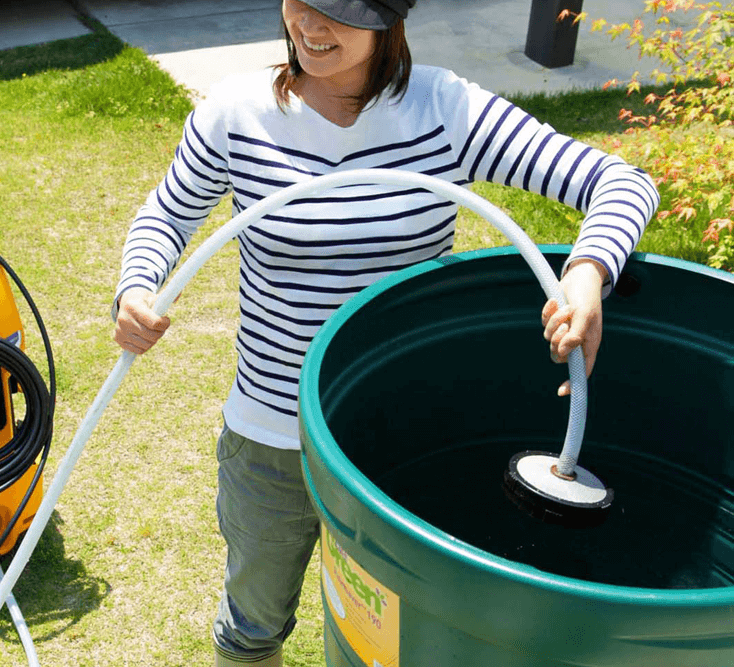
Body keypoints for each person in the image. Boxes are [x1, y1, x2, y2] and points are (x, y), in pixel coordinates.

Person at [111, 1, 659, 665]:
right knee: (252, 627)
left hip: (395, 441)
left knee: (401, 633)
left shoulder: (445, 110)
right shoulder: (234, 116)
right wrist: (138, 287)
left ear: (389, 17)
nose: (310, 25)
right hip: (271, 436)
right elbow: (164, 217)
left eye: (338, 10)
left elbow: (620, 183)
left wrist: (588, 272)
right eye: (300, 1)